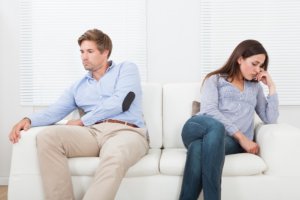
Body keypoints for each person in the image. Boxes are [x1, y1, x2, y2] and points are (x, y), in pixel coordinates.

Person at [8, 28, 149, 200]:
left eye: (90, 51)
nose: (84, 56)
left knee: (115, 155)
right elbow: (55, 110)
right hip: (92, 133)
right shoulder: (78, 87)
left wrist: (84, 120)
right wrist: (28, 119)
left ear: (105, 52)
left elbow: (121, 102)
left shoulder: (126, 69)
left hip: (126, 131)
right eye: (82, 51)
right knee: (47, 137)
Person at [179, 39, 279, 200]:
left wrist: (272, 87)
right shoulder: (216, 80)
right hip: (197, 127)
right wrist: (242, 138)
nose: (257, 70)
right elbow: (209, 110)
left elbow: (271, 119)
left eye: (261, 66)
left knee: (198, 148)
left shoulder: (255, 88)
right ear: (240, 59)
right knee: (216, 127)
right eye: (254, 63)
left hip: (226, 141)